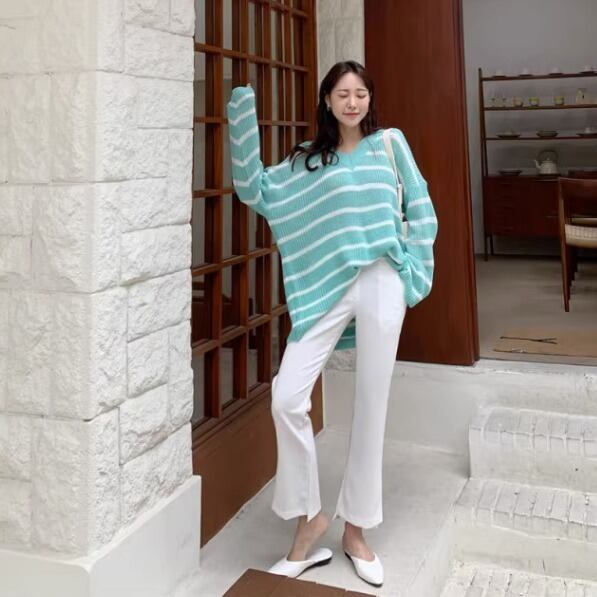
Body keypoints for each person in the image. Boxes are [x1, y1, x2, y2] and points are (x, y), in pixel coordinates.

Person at [226, 60, 437, 588]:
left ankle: (356, 532)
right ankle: (310, 518)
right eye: (342, 93)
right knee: (287, 398)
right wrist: (242, 115)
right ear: (326, 100)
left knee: (371, 405)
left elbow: (422, 206)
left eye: (360, 93)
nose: (352, 102)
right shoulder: (308, 160)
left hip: (383, 279)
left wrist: (413, 275)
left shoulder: (389, 144)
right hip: (328, 287)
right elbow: (255, 191)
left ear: (369, 99)